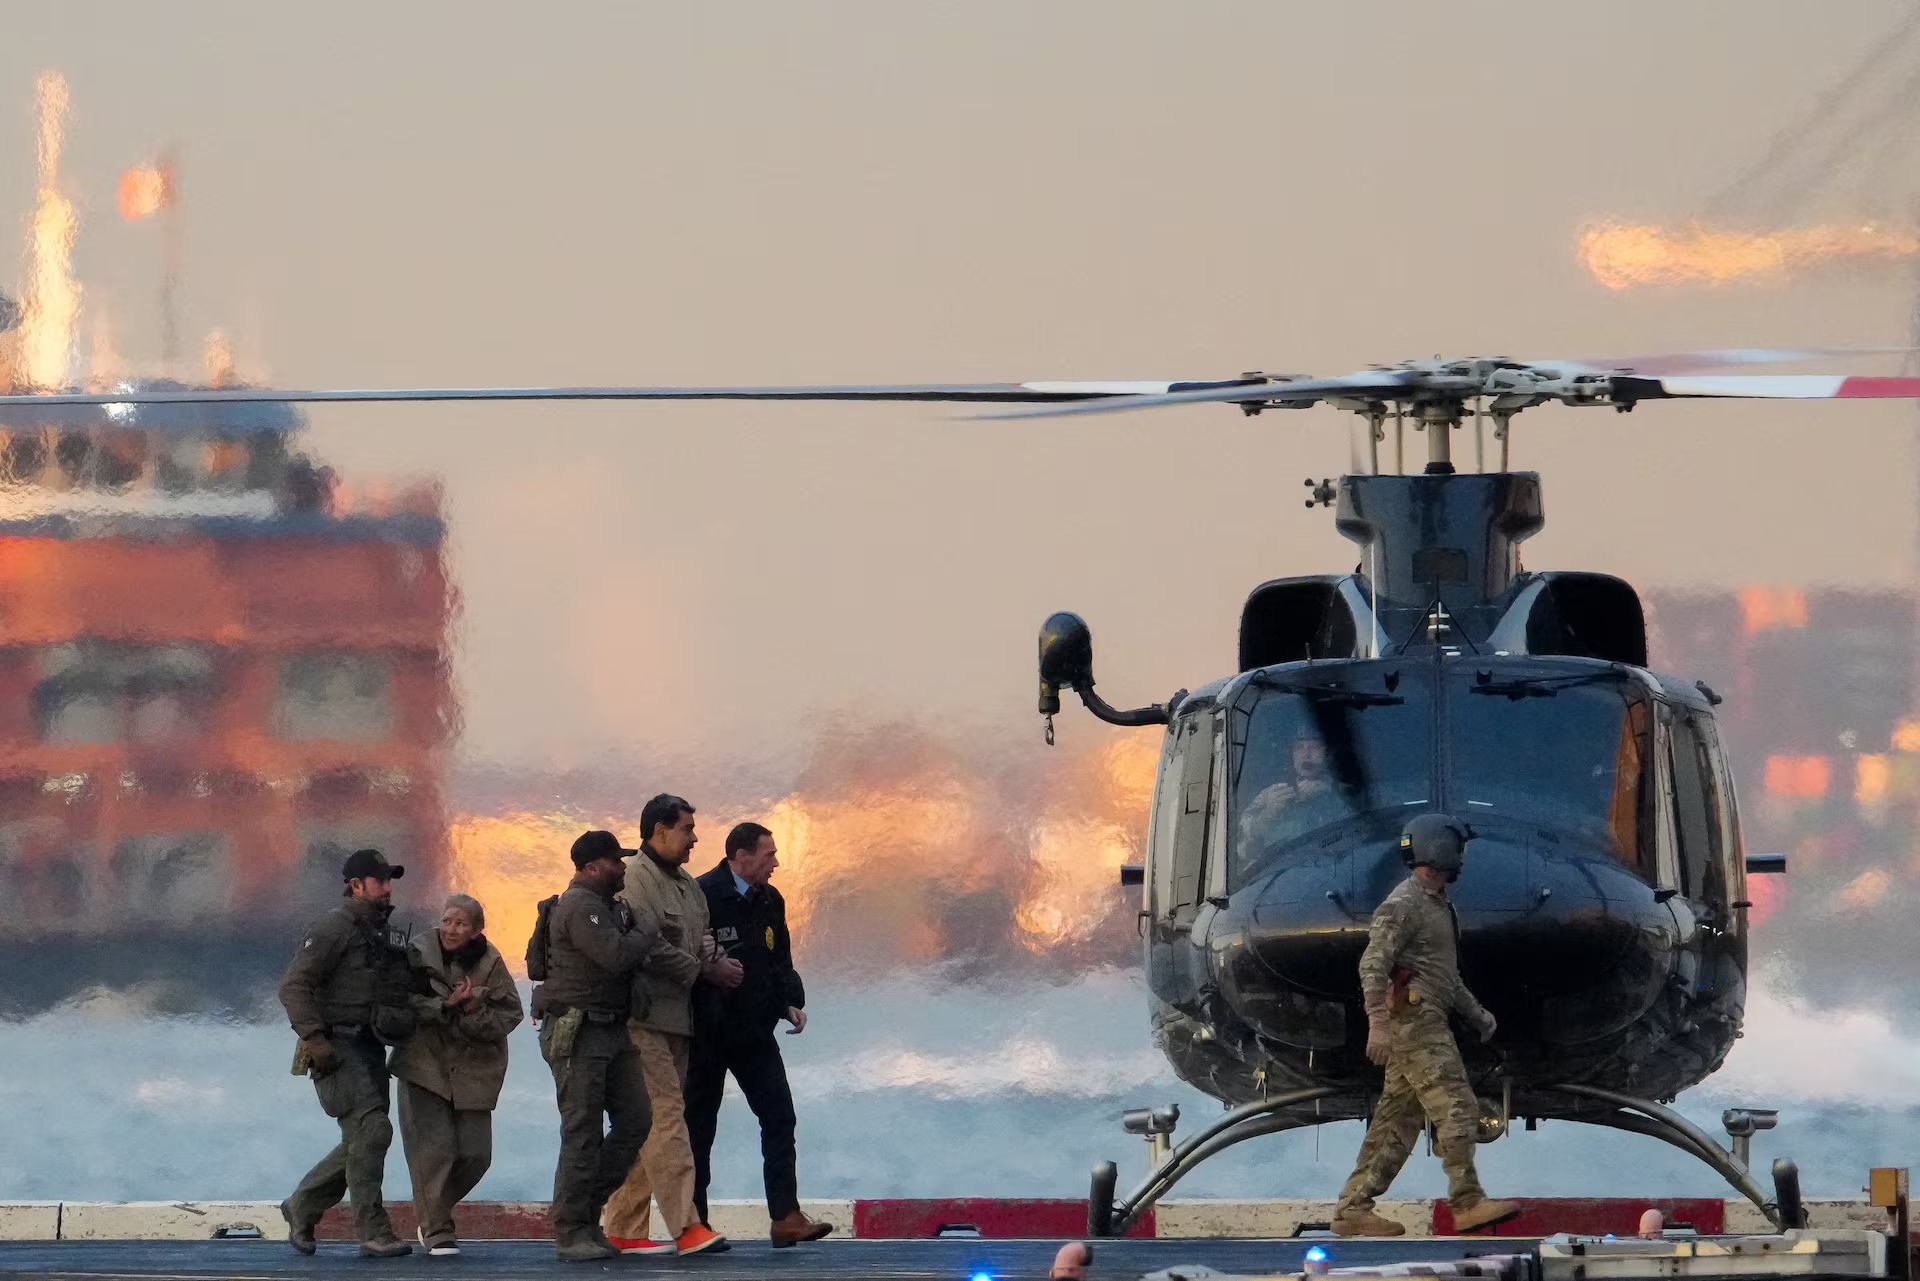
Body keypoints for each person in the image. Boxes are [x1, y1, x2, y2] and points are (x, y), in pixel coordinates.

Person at [1331, 814, 1520, 1238]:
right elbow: (1372, 964)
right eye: (1458, 848)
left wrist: (1476, 1014)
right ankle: (1467, 1203)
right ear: (1440, 849)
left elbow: (1444, 974)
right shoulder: (1404, 905)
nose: (1462, 857)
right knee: (1459, 1106)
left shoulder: (1435, 904)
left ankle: (1353, 1208)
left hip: (1423, 1017)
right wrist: (1378, 1024)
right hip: (1415, 1022)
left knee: (1397, 1120)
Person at [601, 795, 741, 1257]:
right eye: (686, 829)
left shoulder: (687, 887)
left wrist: (717, 959)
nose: (694, 838)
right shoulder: (635, 880)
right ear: (659, 831)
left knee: (646, 1124)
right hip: (642, 1019)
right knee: (666, 1120)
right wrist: (703, 969)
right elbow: (646, 947)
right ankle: (686, 1226)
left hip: (678, 1021)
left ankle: (623, 1227)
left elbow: (700, 939)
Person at [685, 821, 834, 1248]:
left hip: (754, 1031)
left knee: (780, 1116)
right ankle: (695, 1223)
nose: (776, 863)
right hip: (708, 1032)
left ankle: (785, 1216)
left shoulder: (771, 899)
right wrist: (710, 970)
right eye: (769, 855)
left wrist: (789, 1002)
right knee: (699, 1129)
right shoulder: (701, 894)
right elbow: (681, 955)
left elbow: (779, 959)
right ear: (741, 856)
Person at [277, 848, 417, 1258]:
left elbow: (405, 987)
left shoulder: (383, 935)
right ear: (356, 885)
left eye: (390, 881)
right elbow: (294, 987)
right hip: (336, 1047)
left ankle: (302, 1204)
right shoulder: (333, 928)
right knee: (373, 1131)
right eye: (380, 881)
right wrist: (315, 1039)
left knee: (363, 1139)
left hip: (371, 1047)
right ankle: (373, 1232)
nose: (388, 888)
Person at [541, 829, 660, 1261]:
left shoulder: (609, 906)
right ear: (591, 867)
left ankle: (587, 1212)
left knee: (636, 1120)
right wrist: (648, 929)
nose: (622, 867)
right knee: (582, 1132)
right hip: (580, 1031)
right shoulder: (580, 906)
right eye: (614, 860)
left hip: (612, 1028)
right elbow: (617, 956)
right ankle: (572, 1229)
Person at [390, 893, 524, 1257]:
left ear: (476, 930)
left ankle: (431, 1209)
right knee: (434, 1153)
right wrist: (443, 1005)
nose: (451, 929)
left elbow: (510, 1014)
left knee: (477, 1155)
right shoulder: (417, 952)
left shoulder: (491, 961)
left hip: (474, 1070)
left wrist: (472, 1010)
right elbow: (399, 1002)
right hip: (424, 1065)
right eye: (447, 920)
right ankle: (436, 1230)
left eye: (461, 924)